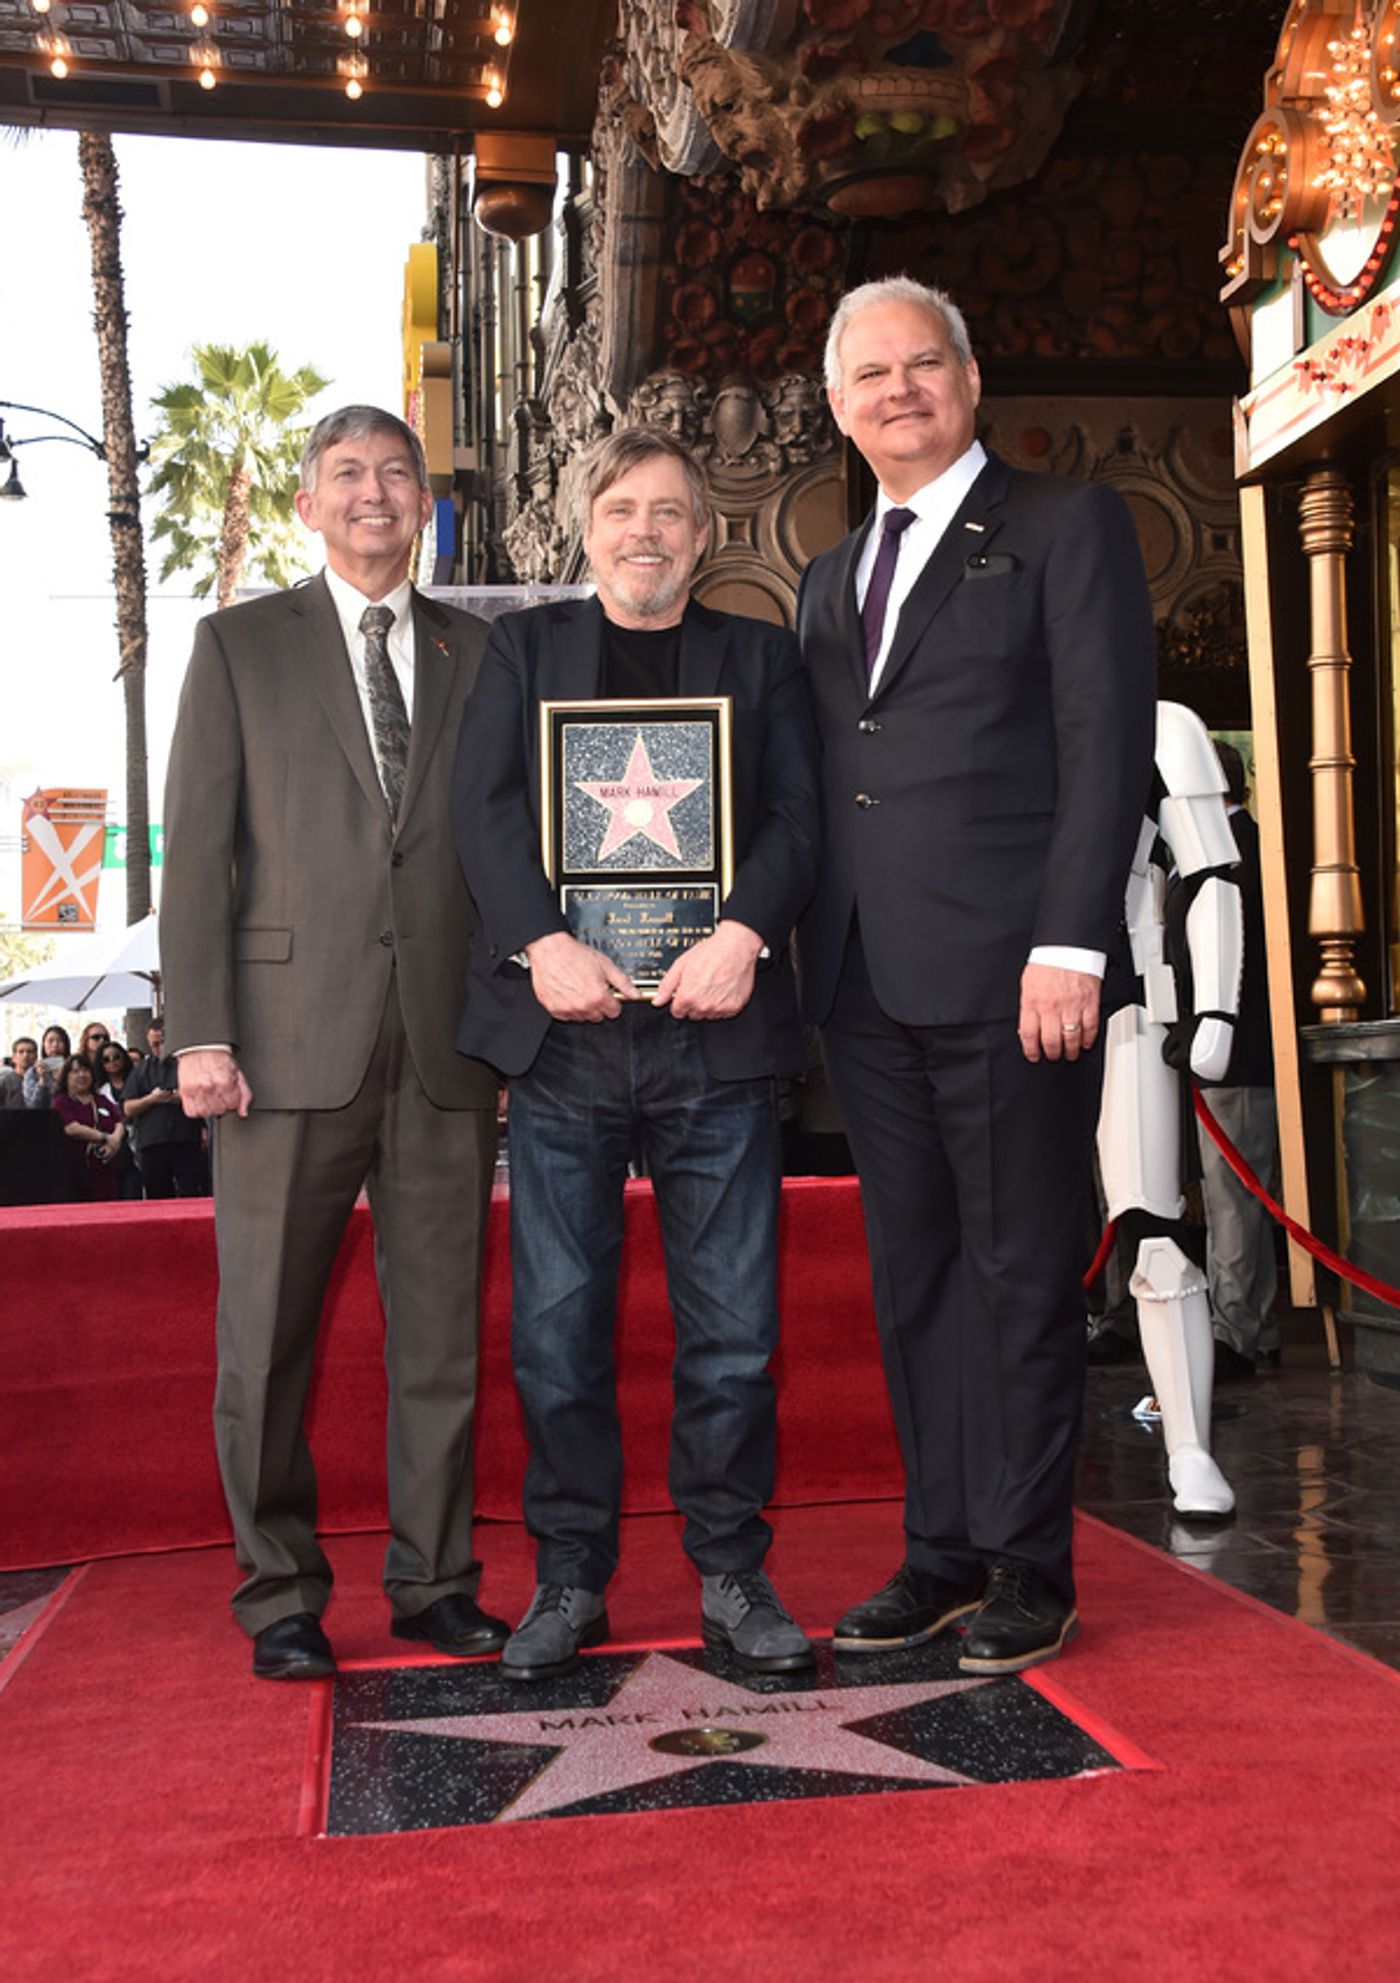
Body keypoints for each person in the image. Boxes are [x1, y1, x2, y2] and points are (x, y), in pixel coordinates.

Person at [798, 276, 1155, 1673]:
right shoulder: (833, 575)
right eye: (870, 374)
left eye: (923, 362)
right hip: (868, 985)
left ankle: (1029, 1564)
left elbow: (1102, 738)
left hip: (1019, 975)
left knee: (1017, 1274)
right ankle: (938, 1550)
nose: (900, 389)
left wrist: (1071, 939)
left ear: (971, 375)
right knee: (918, 1279)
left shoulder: (1068, 526)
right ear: (840, 406)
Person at [452, 426, 820, 1681]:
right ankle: (567, 1581)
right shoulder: (522, 649)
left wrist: (747, 932)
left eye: (669, 511)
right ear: (585, 528)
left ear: (703, 536)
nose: (644, 531)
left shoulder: (761, 658)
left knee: (731, 1333)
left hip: (716, 1040)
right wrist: (539, 944)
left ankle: (728, 1572)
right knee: (557, 1334)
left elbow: (794, 817)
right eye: (620, 509)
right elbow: (485, 809)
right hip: (563, 1043)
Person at [161, 404, 505, 1684]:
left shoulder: (482, 653)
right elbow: (199, 853)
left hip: (443, 1051)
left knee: (440, 1340)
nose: (374, 493)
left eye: (396, 474)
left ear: (424, 505)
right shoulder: (238, 646)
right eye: (348, 475)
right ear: (308, 506)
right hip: (277, 1050)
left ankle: (434, 1582)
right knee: (265, 1335)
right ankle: (281, 1593)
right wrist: (199, 1031)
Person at [1176, 741, 1279, 1380]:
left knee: (1233, 1197)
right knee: (1230, 1196)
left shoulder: (1238, 855)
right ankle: (1250, 1326)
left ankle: (1237, 1329)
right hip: (1218, 1054)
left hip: (1239, 1057)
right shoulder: (1228, 850)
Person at [121, 1018, 209, 1198]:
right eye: (154, 1044)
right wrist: (152, 1099)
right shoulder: (141, 1070)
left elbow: (205, 1097)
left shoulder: (187, 1065)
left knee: (190, 1193)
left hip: (186, 1139)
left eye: (162, 1043)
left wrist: (182, 1097)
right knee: (158, 1197)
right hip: (153, 1143)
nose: (158, 1048)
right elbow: (128, 1108)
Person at [51, 1052, 126, 1201]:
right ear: (66, 1077)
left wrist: (115, 1141)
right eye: (76, 1071)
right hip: (76, 1171)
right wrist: (104, 1138)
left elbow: (119, 1122)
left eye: (85, 1070)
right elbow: (72, 1128)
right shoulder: (62, 1102)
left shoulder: (101, 1100)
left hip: (105, 1170)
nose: (82, 1075)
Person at [95, 1040, 145, 1200]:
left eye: (116, 1057)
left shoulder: (138, 1081)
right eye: (106, 1059)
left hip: (137, 1143)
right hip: (111, 1149)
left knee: (134, 1195)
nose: (113, 1062)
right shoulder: (98, 1090)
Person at [1, 1038, 39, 1109]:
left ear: (36, 1056)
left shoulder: (41, 1080)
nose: (25, 1055)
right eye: (21, 1052)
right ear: (14, 1057)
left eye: (29, 1052)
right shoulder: (5, 1081)